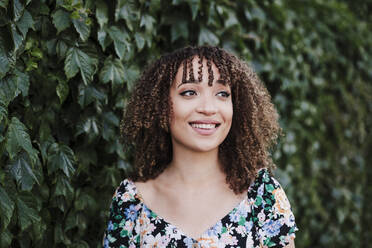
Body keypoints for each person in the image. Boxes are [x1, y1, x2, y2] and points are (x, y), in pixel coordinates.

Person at [103, 46, 298, 247]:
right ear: (160, 104)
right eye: (189, 92)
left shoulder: (262, 195)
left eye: (222, 94)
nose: (208, 108)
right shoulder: (131, 201)